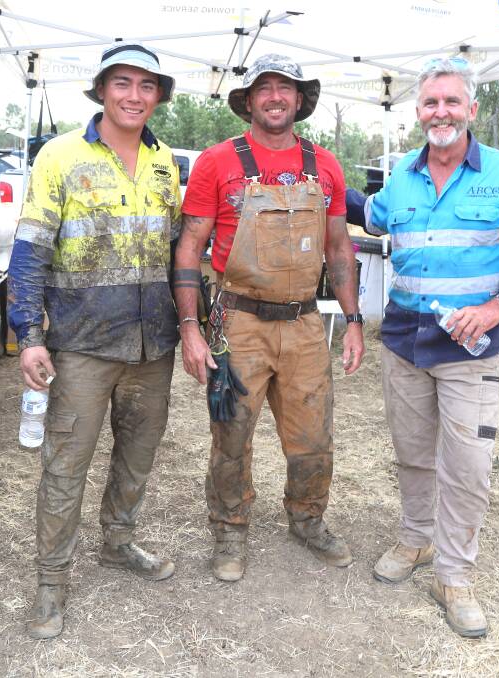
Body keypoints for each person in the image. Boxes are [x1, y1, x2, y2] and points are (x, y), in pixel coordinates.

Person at [346, 57, 499, 638]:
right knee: (412, 452)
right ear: (419, 113)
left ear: (472, 110)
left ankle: (454, 574)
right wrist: (319, 182)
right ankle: (415, 540)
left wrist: (497, 307)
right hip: (404, 339)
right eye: (431, 103)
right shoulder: (403, 177)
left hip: (470, 346)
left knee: (467, 465)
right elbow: (373, 217)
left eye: (451, 102)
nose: (441, 112)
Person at [8, 43, 182, 640]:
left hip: (151, 347)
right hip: (82, 345)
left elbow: (179, 255)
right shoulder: (60, 155)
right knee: (66, 466)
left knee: (138, 457)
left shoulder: (166, 166)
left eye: (146, 86)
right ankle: (50, 585)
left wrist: (195, 329)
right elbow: (30, 250)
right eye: (123, 84)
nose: (134, 96)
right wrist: (29, 335)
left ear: (159, 96)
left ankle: (118, 543)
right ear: (102, 90)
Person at [172, 54, 365, 582]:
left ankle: (307, 520)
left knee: (313, 436)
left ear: (300, 100)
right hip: (235, 323)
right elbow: (189, 247)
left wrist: (353, 320)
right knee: (230, 433)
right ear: (249, 100)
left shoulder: (325, 164)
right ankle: (230, 528)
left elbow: (339, 246)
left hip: (305, 323)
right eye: (265, 88)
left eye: (287, 88)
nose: (276, 96)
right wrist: (191, 328)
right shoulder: (216, 161)